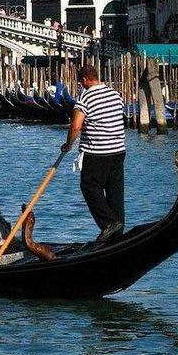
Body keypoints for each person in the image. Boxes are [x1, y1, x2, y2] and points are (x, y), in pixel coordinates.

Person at [60, 64, 126, 242]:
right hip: (118, 151)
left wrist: (68, 145)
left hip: (97, 153)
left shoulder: (85, 97)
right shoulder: (115, 94)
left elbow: (76, 126)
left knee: (89, 187)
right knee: (115, 193)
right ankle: (117, 236)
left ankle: (109, 224)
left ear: (84, 80)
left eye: (80, 82)